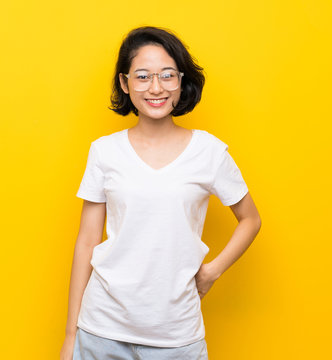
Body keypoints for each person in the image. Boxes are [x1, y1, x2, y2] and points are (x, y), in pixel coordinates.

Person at [60, 26, 262, 360]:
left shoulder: (209, 151)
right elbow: (86, 242)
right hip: (101, 331)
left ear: (182, 81)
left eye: (167, 75)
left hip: (177, 336)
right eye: (143, 76)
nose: (156, 88)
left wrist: (212, 271)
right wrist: (71, 335)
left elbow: (250, 220)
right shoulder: (104, 151)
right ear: (125, 84)